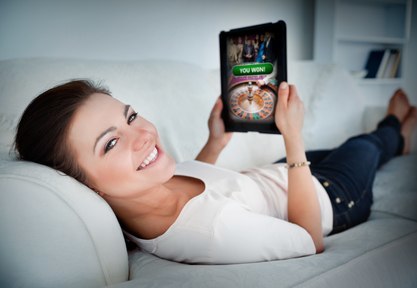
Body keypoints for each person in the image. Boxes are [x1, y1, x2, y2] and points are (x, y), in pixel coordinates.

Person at [14, 80, 417, 264]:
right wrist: (292, 137)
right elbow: (309, 241)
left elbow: (201, 185)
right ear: (84, 186)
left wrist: (216, 141)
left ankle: (392, 134)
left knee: (347, 146)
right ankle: (394, 130)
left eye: (131, 115)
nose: (143, 135)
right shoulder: (213, 234)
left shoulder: (146, 189)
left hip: (277, 175)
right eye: (111, 143)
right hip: (329, 197)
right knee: (365, 146)